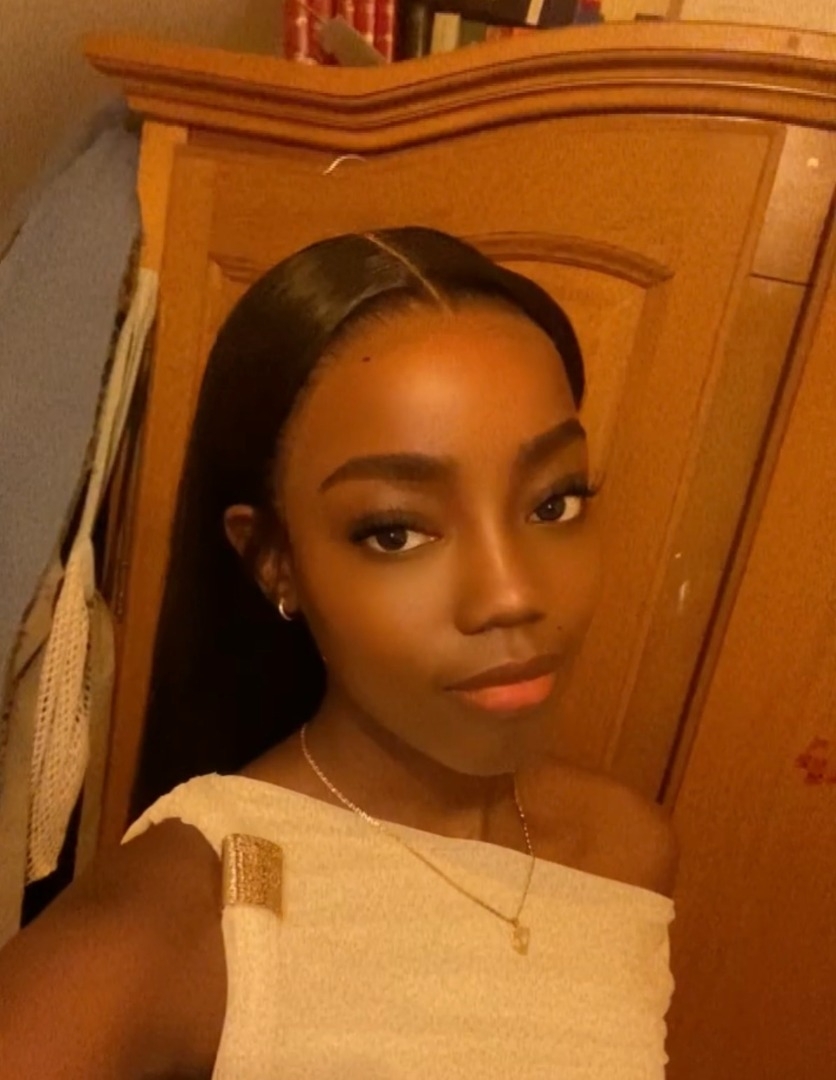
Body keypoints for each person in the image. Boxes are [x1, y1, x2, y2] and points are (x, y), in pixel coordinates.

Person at [0, 227, 678, 1078]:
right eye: (396, 532)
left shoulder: (625, 849)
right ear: (274, 562)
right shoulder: (187, 914)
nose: (511, 593)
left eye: (554, 503)